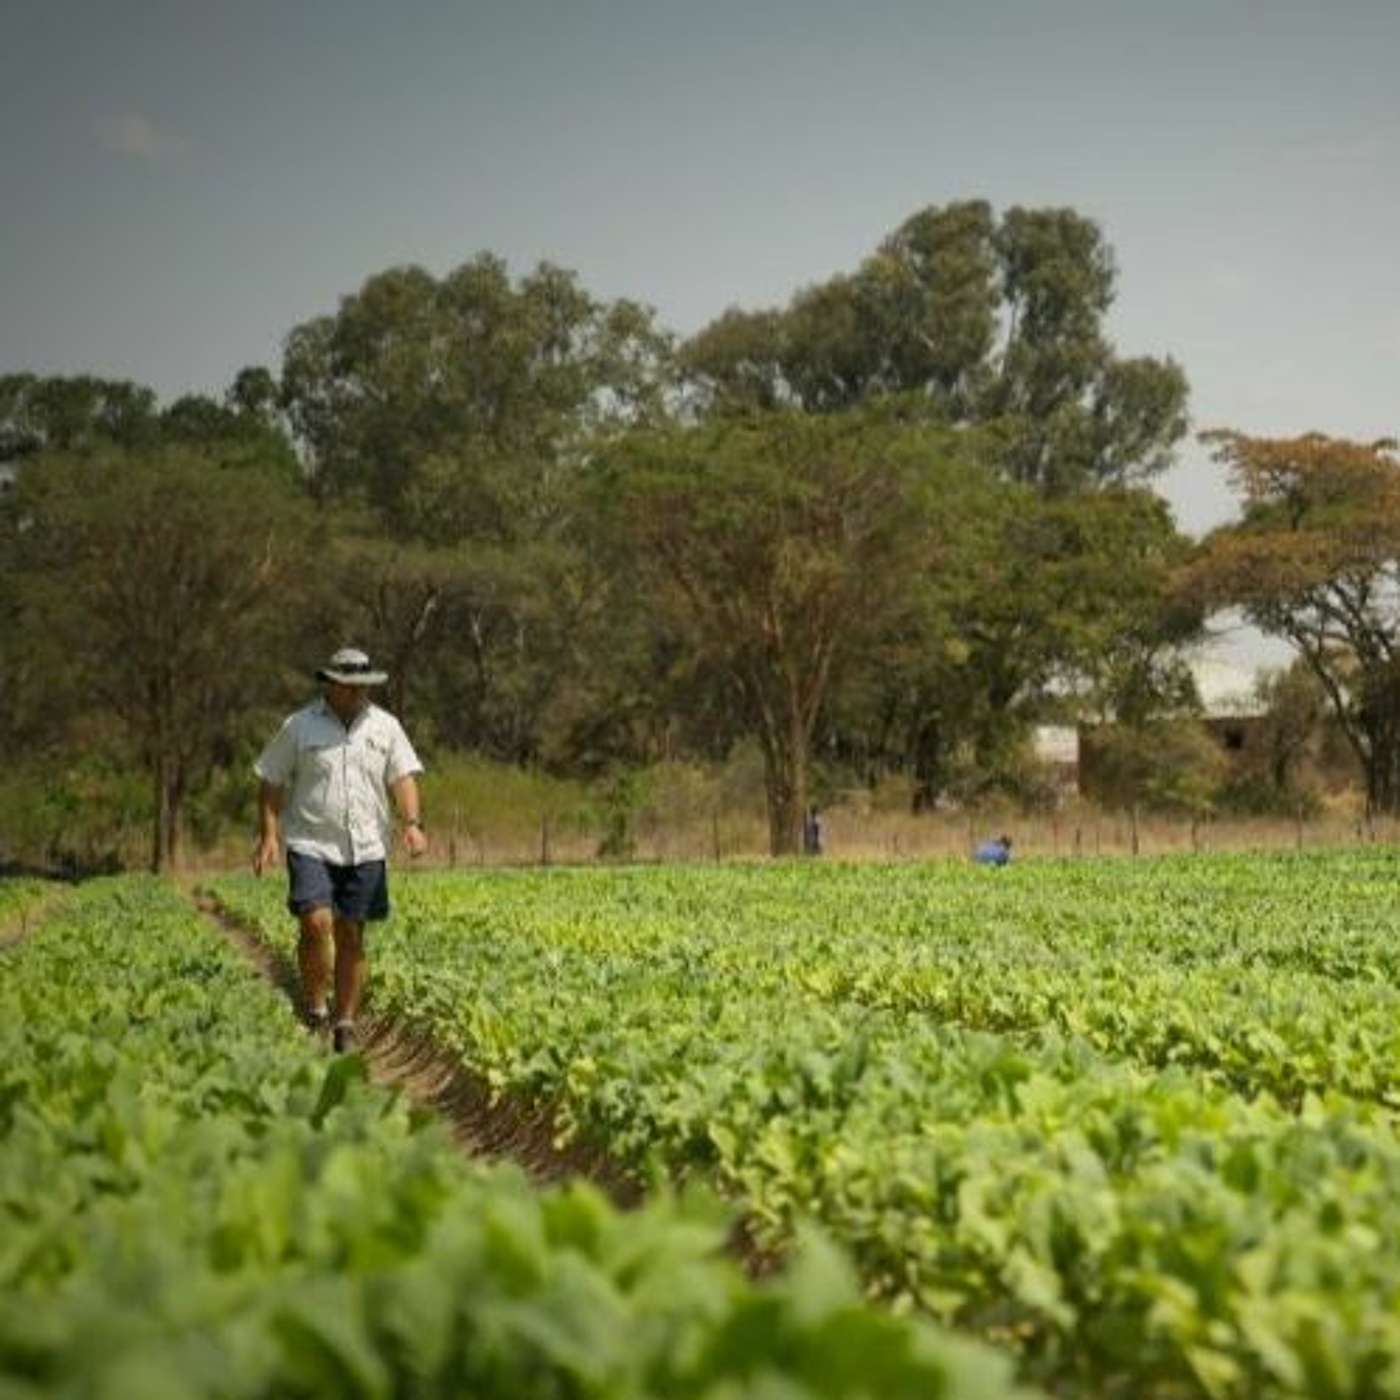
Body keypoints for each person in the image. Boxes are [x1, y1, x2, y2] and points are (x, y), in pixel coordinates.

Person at [252, 647, 428, 1052]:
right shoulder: (299, 727)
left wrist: (413, 824)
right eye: (350, 685)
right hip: (311, 842)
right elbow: (271, 781)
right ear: (331, 684)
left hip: (366, 846)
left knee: (351, 932)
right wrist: (269, 836)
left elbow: (403, 778)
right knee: (315, 924)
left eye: (364, 685)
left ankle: (345, 1022)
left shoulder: (386, 727)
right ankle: (314, 1004)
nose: (358, 692)